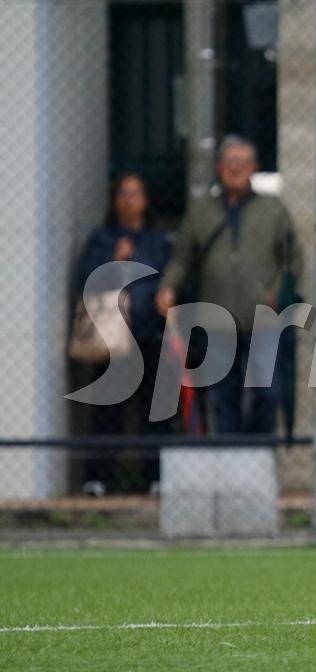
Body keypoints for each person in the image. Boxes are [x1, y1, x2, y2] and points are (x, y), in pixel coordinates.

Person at [156, 135, 301, 434]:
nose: (236, 168)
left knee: (267, 391)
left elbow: (292, 260)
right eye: (230, 162)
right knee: (222, 395)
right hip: (216, 318)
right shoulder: (201, 212)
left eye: (242, 162)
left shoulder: (274, 211)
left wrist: (276, 294)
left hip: (263, 317)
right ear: (219, 167)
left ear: (254, 167)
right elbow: (182, 258)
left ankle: (260, 451)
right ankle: (230, 452)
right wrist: (168, 287)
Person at [75, 173, 172, 493]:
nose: (129, 200)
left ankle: (155, 477)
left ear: (146, 200)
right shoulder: (101, 239)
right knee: (107, 408)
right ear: (114, 201)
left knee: (154, 409)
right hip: (112, 337)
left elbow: (168, 278)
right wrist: (113, 260)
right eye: (123, 194)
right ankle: (98, 478)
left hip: (150, 334)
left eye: (135, 193)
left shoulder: (157, 241)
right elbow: (85, 280)